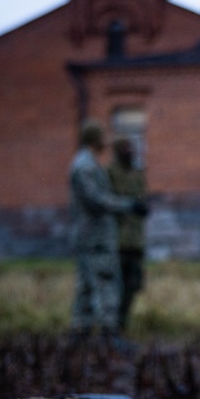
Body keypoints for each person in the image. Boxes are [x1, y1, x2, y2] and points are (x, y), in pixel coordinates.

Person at [68, 119, 145, 343]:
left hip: (90, 235)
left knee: (85, 285)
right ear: (94, 139)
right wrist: (128, 205)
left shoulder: (86, 163)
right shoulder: (86, 166)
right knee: (105, 281)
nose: (107, 141)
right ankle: (108, 333)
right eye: (103, 136)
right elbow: (95, 200)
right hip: (95, 236)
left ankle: (80, 331)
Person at [107, 137, 148, 331]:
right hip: (116, 240)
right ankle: (112, 325)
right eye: (125, 148)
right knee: (115, 286)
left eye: (131, 147)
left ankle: (123, 324)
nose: (129, 151)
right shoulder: (109, 173)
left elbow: (142, 198)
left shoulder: (138, 174)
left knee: (133, 286)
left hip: (136, 241)